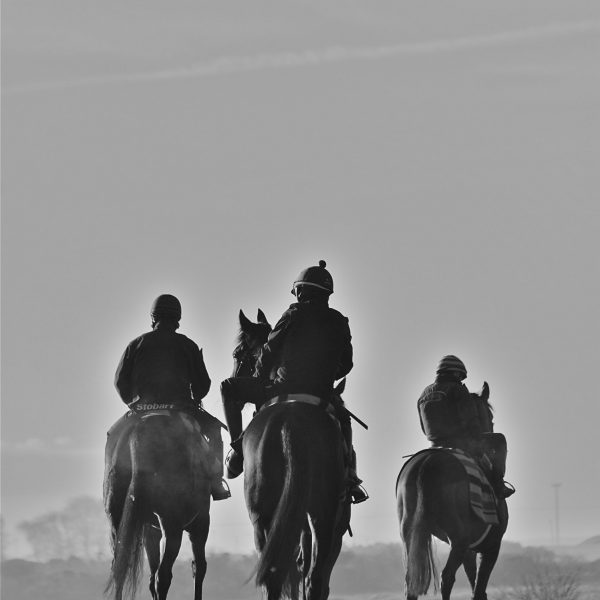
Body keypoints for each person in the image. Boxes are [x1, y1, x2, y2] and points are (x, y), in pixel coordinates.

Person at [221, 260, 369, 504]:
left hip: (283, 387)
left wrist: (260, 376)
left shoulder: (292, 314)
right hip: (321, 392)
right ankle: (350, 477)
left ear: (301, 291)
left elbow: (269, 350)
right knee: (342, 420)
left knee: (228, 387)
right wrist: (325, 374)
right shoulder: (340, 321)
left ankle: (238, 448)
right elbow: (347, 364)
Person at [112, 294, 231, 501]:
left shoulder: (136, 344)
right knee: (214, 431)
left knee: (113, 436)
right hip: (181, 409)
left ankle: (113, 485)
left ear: (153, 317)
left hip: (142, 410)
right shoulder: (188, 345)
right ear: (178, 318)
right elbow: (203, 386)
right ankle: (216, 483)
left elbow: (120, 381)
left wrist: (133, 403)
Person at [417, 354, 515, 498]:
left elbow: (424, 430)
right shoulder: (458, 390)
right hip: (460, 444)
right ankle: (498, 485)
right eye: (460, 376)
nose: (461, 379)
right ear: (456, 372)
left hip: (433, 445)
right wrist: (478, 445)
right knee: (500, 439)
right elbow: (471, 422)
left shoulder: (423, 395)